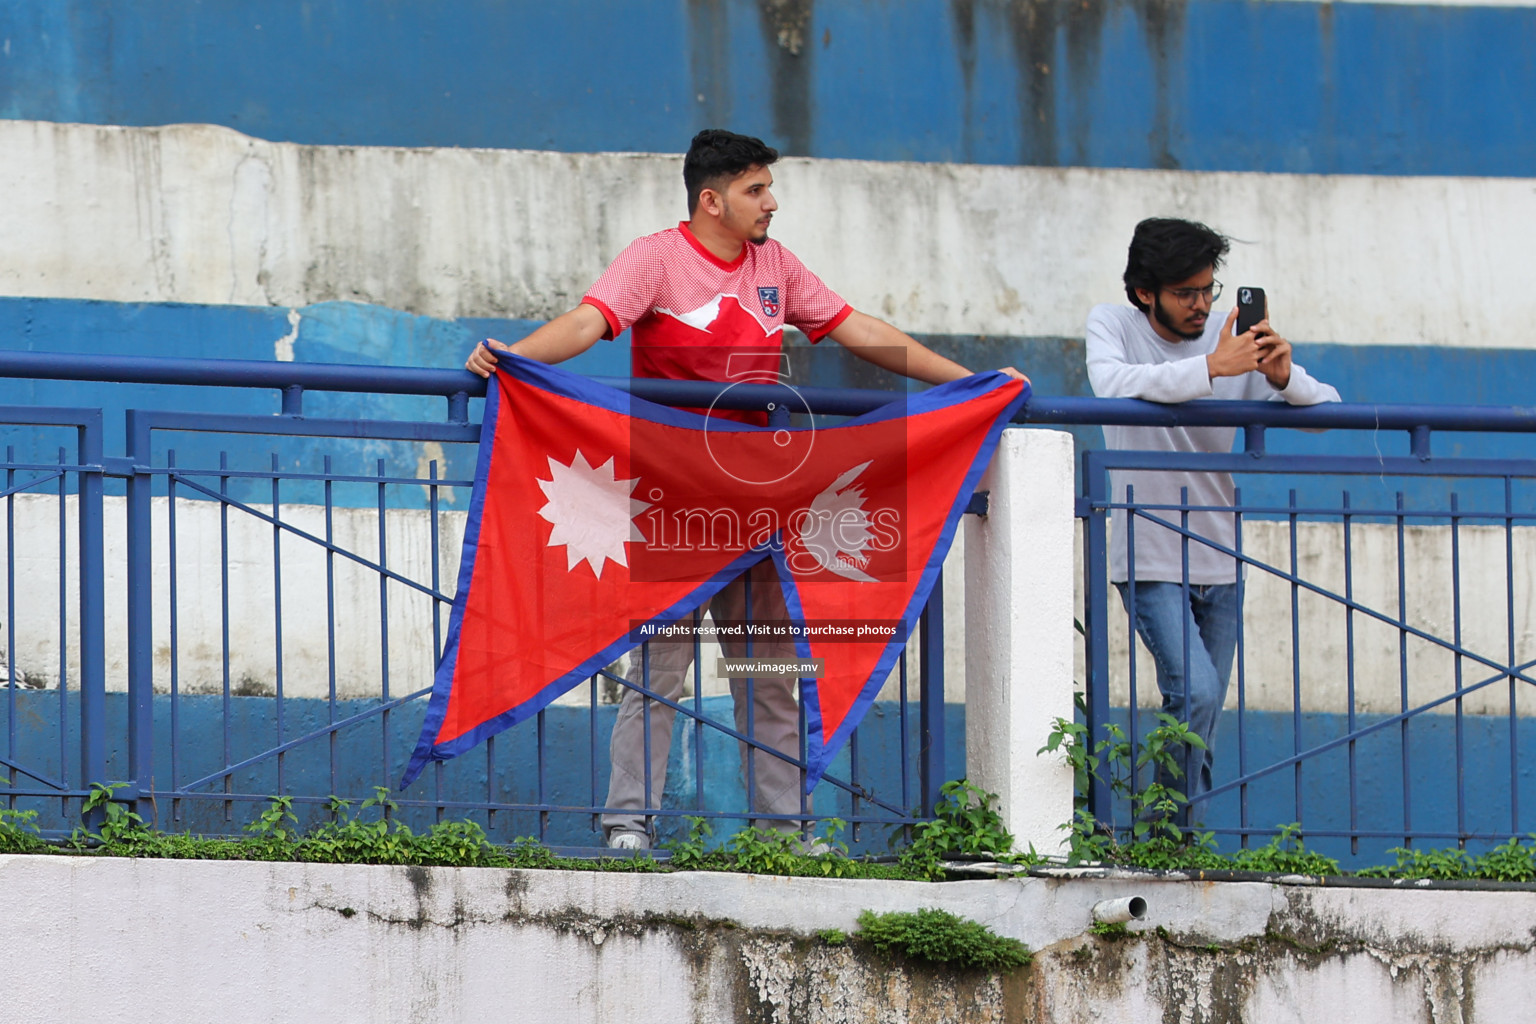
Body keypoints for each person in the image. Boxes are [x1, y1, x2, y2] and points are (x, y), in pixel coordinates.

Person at [467, 128, 1026, 850]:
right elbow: (586, 322)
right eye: (755, 190)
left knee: (768, 670)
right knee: (661, 668)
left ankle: (784, 830)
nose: (771, 203)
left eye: (769, 187)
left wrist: (974, 384)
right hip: (670, 502)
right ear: (711, 200)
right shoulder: (656, 259)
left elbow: (860, 331)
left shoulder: (777, 265)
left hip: (757, 502)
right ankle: (627, 824)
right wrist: (514, 358)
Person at [1085, 217, 1339, 825]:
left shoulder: (1230, 343)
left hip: (1221, 554)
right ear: (1146, 291)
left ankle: (1179, 836)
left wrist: (1282, 376)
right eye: (1186, 293)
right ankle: (1165, 838)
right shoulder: (1113, 323)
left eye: (1208, 290)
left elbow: (1328, 410)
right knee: (1194, 693)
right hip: (1148, 551)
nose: (1201, 305)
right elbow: (1111, 384)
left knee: (1203, 712)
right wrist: (1215, 368)